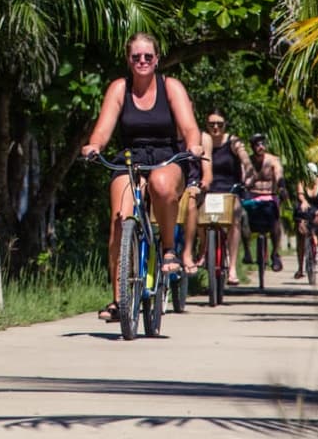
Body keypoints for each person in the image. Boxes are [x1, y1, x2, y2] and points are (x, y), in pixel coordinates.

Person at [81, 33, 204, 322]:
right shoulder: (118, 89)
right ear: (128, 60)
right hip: (130, 157)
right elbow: (103, 128)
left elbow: (189, 127)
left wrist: (194, 145)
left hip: (168, 156)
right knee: (119, 219)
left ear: (157, 59)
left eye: (148, 56)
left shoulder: (170, 87)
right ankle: (118, 300)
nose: (142, 61)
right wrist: (94, 145)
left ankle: (169, 250)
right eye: (136, 56)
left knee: (162, 185)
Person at [200, 109, 252, 285]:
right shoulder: (203, 141)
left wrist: (249, 169)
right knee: (195, 216)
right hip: (208, 189)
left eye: (219, 124)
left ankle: (232, 269)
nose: (215, 127)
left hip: (230, 189)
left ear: (225, 125)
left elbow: (244, 157)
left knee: (235, 219)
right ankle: (203, 251)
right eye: (211, 124)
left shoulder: (233, 142)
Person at [244, 133, 287, 272]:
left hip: (269, 197)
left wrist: (281, 188)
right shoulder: (247, 162)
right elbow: (242, 179)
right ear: (252, 147)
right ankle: (247, 252)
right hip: (252, 198)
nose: (260, 147)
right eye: (257, 144)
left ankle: (275, 254)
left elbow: (279, 175)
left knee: (275, 222)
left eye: (262, 143)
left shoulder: (273, 160)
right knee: (241, 218)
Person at [295, 161, 318, 278]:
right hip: (304, 209)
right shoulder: (302, 181)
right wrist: (303, 201)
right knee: (301, 235)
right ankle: (300, 268)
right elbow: (300, 194)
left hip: (316, 209)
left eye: (313, 174)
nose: (310, 176)